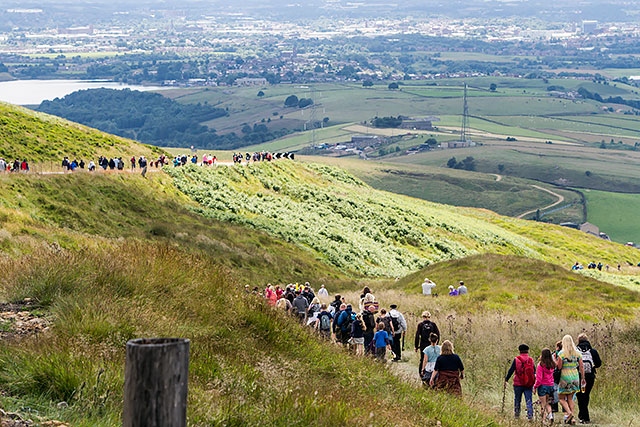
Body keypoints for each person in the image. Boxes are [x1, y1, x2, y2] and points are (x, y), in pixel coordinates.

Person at [556, 335, 585, 425]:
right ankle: (572, 419)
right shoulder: (577, 353)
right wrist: (583, 377)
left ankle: (569, 413)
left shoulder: (561, 353)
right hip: (575, 376)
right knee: (570, 398)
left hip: (565, 376)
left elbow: (559, 367)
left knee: (561, 397)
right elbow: (581, 366)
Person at [505, 344, 535, 421]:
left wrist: (506, 379)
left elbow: (511, 370)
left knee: (517, 399)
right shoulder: (530, 360)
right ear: (527, 350)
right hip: (528, 383)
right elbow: (534, 371)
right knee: (529, 400)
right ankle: (530, 416)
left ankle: (517, 415)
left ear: (519, 351)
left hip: (518, 383)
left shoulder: (516, 359)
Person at [576, 333, 602, 424]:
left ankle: (584, 417)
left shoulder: (576, 350)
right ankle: (583, 415)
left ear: (578, 341)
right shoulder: (593, 351)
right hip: (590, 376)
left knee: (580, 395)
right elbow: (598, 363)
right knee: (586, 395)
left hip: (578, 376)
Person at [533, 348, 556, 425]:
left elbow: (539, 379)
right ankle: (550, 416)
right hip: (550, 385)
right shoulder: (552, 364)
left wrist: (535, 386)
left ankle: (543, 420)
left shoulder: (541, 365)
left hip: (543, 386)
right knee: (547, 403)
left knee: (543, 404)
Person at [414, 311, 440, 375]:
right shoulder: (433, 324)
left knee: (423, 359)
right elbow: (438, 334)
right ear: (429, 317)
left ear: (423, 317)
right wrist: (436, 343)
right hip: (432, 344)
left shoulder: (420, 325)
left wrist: (416, 346)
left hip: (423, 344)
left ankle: (422, 373)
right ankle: (432, 373)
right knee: (432, 359)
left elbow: (417, 336)